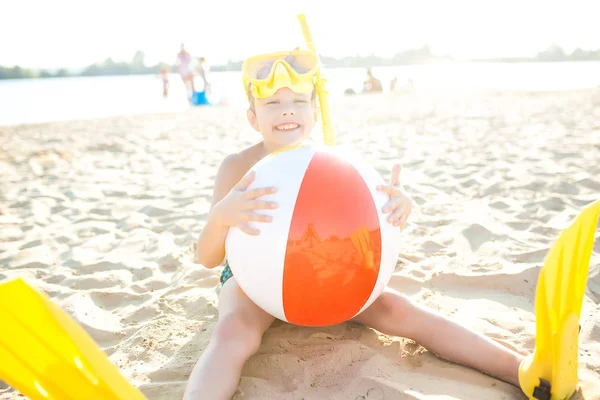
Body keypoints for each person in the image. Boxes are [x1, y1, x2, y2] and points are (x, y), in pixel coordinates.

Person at [182, 49, 524, 400]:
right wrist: (223, 215)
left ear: (314, 113)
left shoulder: (334, 166)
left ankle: (520, 369)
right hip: (249, 280)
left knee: (398, 309)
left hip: (323, 274)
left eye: (298, 101)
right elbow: (208, 258)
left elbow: (365, 235)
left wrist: (397, 211)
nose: (287, 110)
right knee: (233, 333)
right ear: (253, 117)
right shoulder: (238, 167)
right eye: (273, 103)